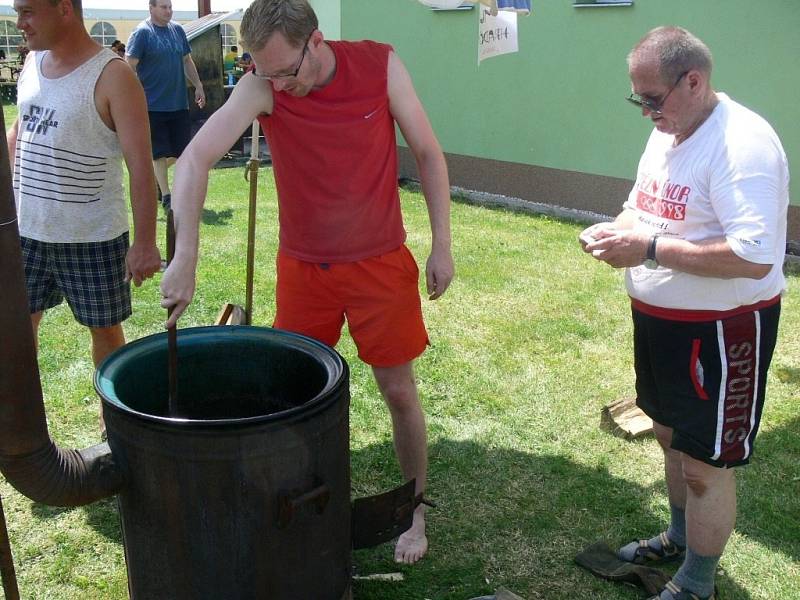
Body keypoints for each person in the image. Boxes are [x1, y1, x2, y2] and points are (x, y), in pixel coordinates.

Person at [161, 0, 454, 565]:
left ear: (314, 42)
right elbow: (193, 161)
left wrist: (442, 245)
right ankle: (296, 506)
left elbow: (428, 153)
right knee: (291, 396)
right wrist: (186, 258)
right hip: (304, 271)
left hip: (379, 264)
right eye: (261, 71)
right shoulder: (263, 83)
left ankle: (414, 512)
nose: (274, 85)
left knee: (397, 391)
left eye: (283, 71)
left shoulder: (380, 65)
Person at [580, 26, 788, 600]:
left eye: (653, 98)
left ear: (694, 81)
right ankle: (677, 537)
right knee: (670, 435)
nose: (646, 112)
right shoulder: (671, 129)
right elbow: (640, 206)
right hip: (661, 323)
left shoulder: (740, 145)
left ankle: (698, 582)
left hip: (722, 330)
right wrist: (614, 231)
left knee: (703, 464)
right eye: (638, 98)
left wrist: (646, 249)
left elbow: (754, 256)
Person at [8, 0, 161, 429]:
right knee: (19, 330)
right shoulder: (32, 63)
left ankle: (117, 426)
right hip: (27, 232)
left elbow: (141, 167)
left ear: (63, 10)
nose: (19, 22)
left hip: (92, 238)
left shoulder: (114, 76)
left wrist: (146, 242)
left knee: (106, 333)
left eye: (27, 12)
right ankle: (19, 427)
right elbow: (21, 131)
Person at [125, 0, 206, 211]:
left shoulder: (177, 30)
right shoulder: (142, 33)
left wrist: (198, 85)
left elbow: (187, 60)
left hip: (178, 103)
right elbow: (129, 66)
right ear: (151, 8)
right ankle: (167, 195)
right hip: (152, 105)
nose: (168, 11)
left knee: (182, 152)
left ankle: (159, 180)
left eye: (170, 7)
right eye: (163, 7)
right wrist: (134, 96)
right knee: (159, 152)